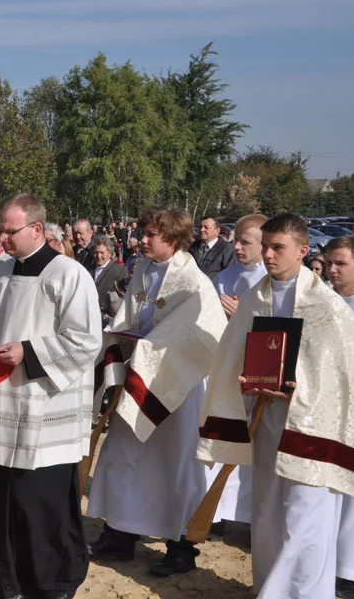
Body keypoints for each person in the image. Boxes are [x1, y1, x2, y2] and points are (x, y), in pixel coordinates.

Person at [199, 215, 354, 598]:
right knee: (268, 512)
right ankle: (268, 586)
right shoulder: (255, 299)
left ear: (303, 252)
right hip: (265, 419)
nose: (268, 255)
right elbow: (232, 354)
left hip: (310, 429)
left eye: (278, 248)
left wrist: (298, 393)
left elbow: (345, 379)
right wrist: (243, 383)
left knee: (304, 517)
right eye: (266, 246)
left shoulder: (328, 308)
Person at [0, 193, 102, 598]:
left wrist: (29, 351)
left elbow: (86, 340)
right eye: (0, 230)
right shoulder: (1, 274)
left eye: (9, 230)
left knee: (36, 500)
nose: (1, 238)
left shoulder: (69, 275)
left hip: (45, 403)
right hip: (4, 398)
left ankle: (49, 580)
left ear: (37, 229)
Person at [87, 207, 227, 576]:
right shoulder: (145, 271)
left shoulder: (195, 281)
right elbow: (130, 319)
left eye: (150, 234)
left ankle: (181, 546)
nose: (142, 240)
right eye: (142, 233)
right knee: (124, 453)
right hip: (140, 379)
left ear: (175, 238)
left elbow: (200, 335)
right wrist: (120, 338)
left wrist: (148, 349)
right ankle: (120, 533)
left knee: (175, 466)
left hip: (177, 386)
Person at [201, 213, 268, 533]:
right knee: (222, 439)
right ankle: (216, 511)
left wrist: (244, 315)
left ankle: (252, 519)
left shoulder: (271, 279)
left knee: (256, 447)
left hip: (257, 375)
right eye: (235, 240)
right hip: (225, 370)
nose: (237, 247)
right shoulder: (224, 277)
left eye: (246, 242)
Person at [324, 236, 354, 599]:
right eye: (329, 264)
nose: (332, 271)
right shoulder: (321, 300)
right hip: (326, 407)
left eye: (341, 264)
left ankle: (352, 570)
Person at [89, 235, 128, 324]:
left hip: (107, 320)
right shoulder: (87, 269)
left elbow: (121, 299)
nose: (98, 256)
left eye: (102, 253)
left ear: (110, 253)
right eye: (96, 252)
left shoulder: (120, 271)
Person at [190, 216, 236, 280]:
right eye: (200, 227)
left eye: (206, 227)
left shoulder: (227, 249)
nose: (201, 230)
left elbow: (230, 276)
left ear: (217, 231)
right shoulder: (193, 246)